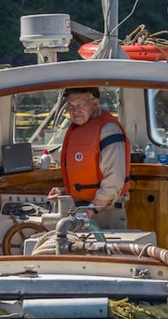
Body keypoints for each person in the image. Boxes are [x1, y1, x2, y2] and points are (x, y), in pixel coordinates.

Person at [48, 87, 130, 229]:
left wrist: (90, 210)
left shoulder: (108, 130)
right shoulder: (77, 129)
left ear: (95, 103)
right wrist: (64, 191)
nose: (74, 111)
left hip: (104, 213)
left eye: (80, 104)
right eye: (71, 106)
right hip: (83, 211)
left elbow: (114, 180)